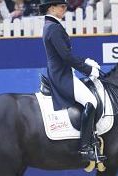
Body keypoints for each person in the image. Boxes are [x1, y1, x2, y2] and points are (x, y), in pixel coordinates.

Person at [39, 0, 103, 162]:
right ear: (51, 8)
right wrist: (88, 70)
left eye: (65, 6)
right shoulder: (53, 28)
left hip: (63, 72)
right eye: (62, 6)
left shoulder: (52, 25)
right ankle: (85, 147)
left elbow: (67, 54)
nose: (64, 9)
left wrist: (85, 61)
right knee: (91, 101)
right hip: (61, 75)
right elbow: (66, 56)